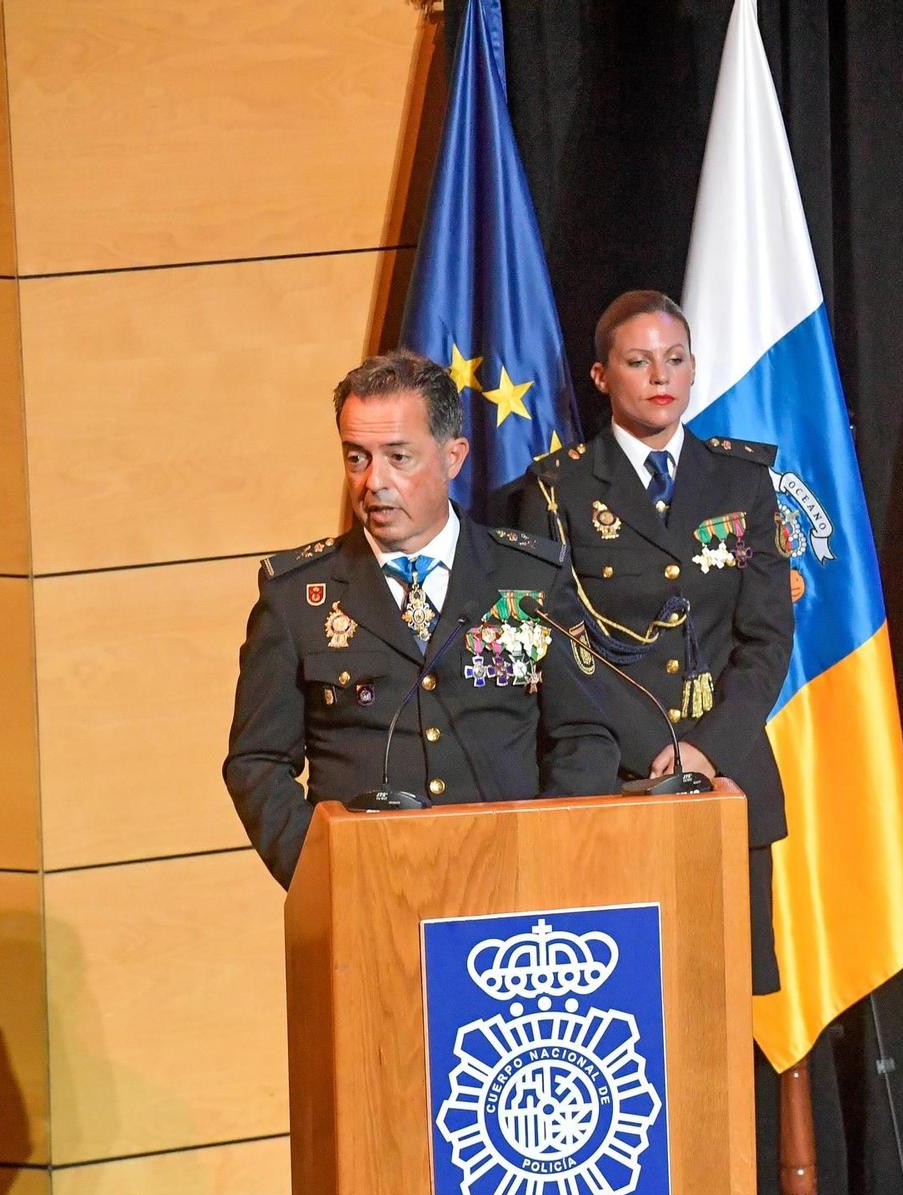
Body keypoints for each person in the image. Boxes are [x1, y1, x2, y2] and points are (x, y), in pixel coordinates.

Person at [225, 349, 619, 887]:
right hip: (368, 894)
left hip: (514, 887)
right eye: (356, 457)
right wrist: (321, 874)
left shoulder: (531, 577)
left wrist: (545, 856)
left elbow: (586, 736)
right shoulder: (297, 597)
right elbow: (257, 762)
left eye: (398, 457)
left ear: (453, 457)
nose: (374, 482)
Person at [503, 290, 793, 993]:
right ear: (602, 377)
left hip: (724, 775)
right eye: (639, 361)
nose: (661, 376)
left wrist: (704, 749)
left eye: (675, 359)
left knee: (724, 1006)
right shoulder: (555, 490)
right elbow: (549, 641)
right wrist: (656, 753)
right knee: (618, 1000)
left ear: (694, 369)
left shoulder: (743, 479)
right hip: (608, 777)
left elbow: (765, 638)